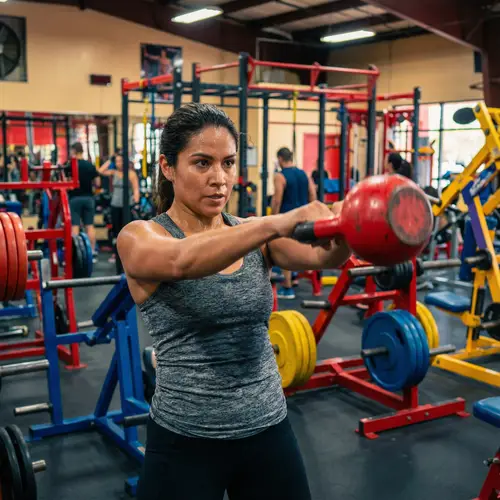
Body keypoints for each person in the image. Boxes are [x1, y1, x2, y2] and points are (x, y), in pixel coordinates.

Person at [117, 103, 350, 500]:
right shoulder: (140, 236)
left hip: (268, 428)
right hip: (185, 439)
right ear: (168, 167)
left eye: (228, 163)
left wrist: (349, 226)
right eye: (202, 163)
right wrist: (278, 220)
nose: (219, 179)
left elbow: (323, 257)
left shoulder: (251, 233)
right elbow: (182, 259)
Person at [271, 147, 317, 299]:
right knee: (301, 246)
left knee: (284, 250)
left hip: (288, 218)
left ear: (280, 159)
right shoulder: (303, 173)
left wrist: (273, 219)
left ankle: (287, 287)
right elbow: (312, 195)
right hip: (304, 217)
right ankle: (296, 278)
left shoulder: (280, 176)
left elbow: (277, 200)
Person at [98, 154, 140, 273]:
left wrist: (136, 201)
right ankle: (117, 255)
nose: (118, 163)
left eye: (121, 161)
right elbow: (100, 171)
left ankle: (129, 256)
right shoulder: (114, 172)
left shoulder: (131, 174)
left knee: (127, 232)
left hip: (127, 207)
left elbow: (136, 189)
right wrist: (109, 160)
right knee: (116, 232)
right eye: (116, 161)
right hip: (115, 206)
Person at [66, 142, 100, 256]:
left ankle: (76, 255)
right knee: (89, 226)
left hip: (75, 198)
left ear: (74, 151)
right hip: (88, 198)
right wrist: (93, 190)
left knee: (75, 226)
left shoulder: (70, 165)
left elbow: (65, 182)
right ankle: (92, 253)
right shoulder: (89, 165)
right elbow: (98, 182)